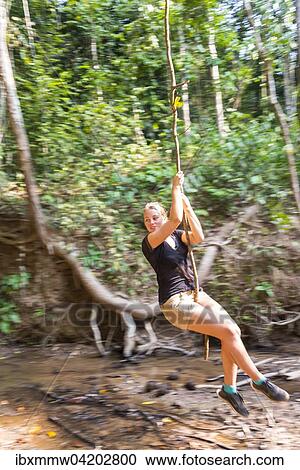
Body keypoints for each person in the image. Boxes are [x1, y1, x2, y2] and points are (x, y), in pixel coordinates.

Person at [142, 171, 289, 417]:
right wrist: (175, 188)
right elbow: (175, 219)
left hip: (196, 294)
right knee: (228, 331)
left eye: (155, 218)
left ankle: (229, 389)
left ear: (162, 215)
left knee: (233, 331)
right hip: (175, 303)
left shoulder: (177, 237)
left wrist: (187, 205)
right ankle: (259, 380)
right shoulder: (151, 241)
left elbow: (198, 236)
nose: (151, 223)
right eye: (147, 220)